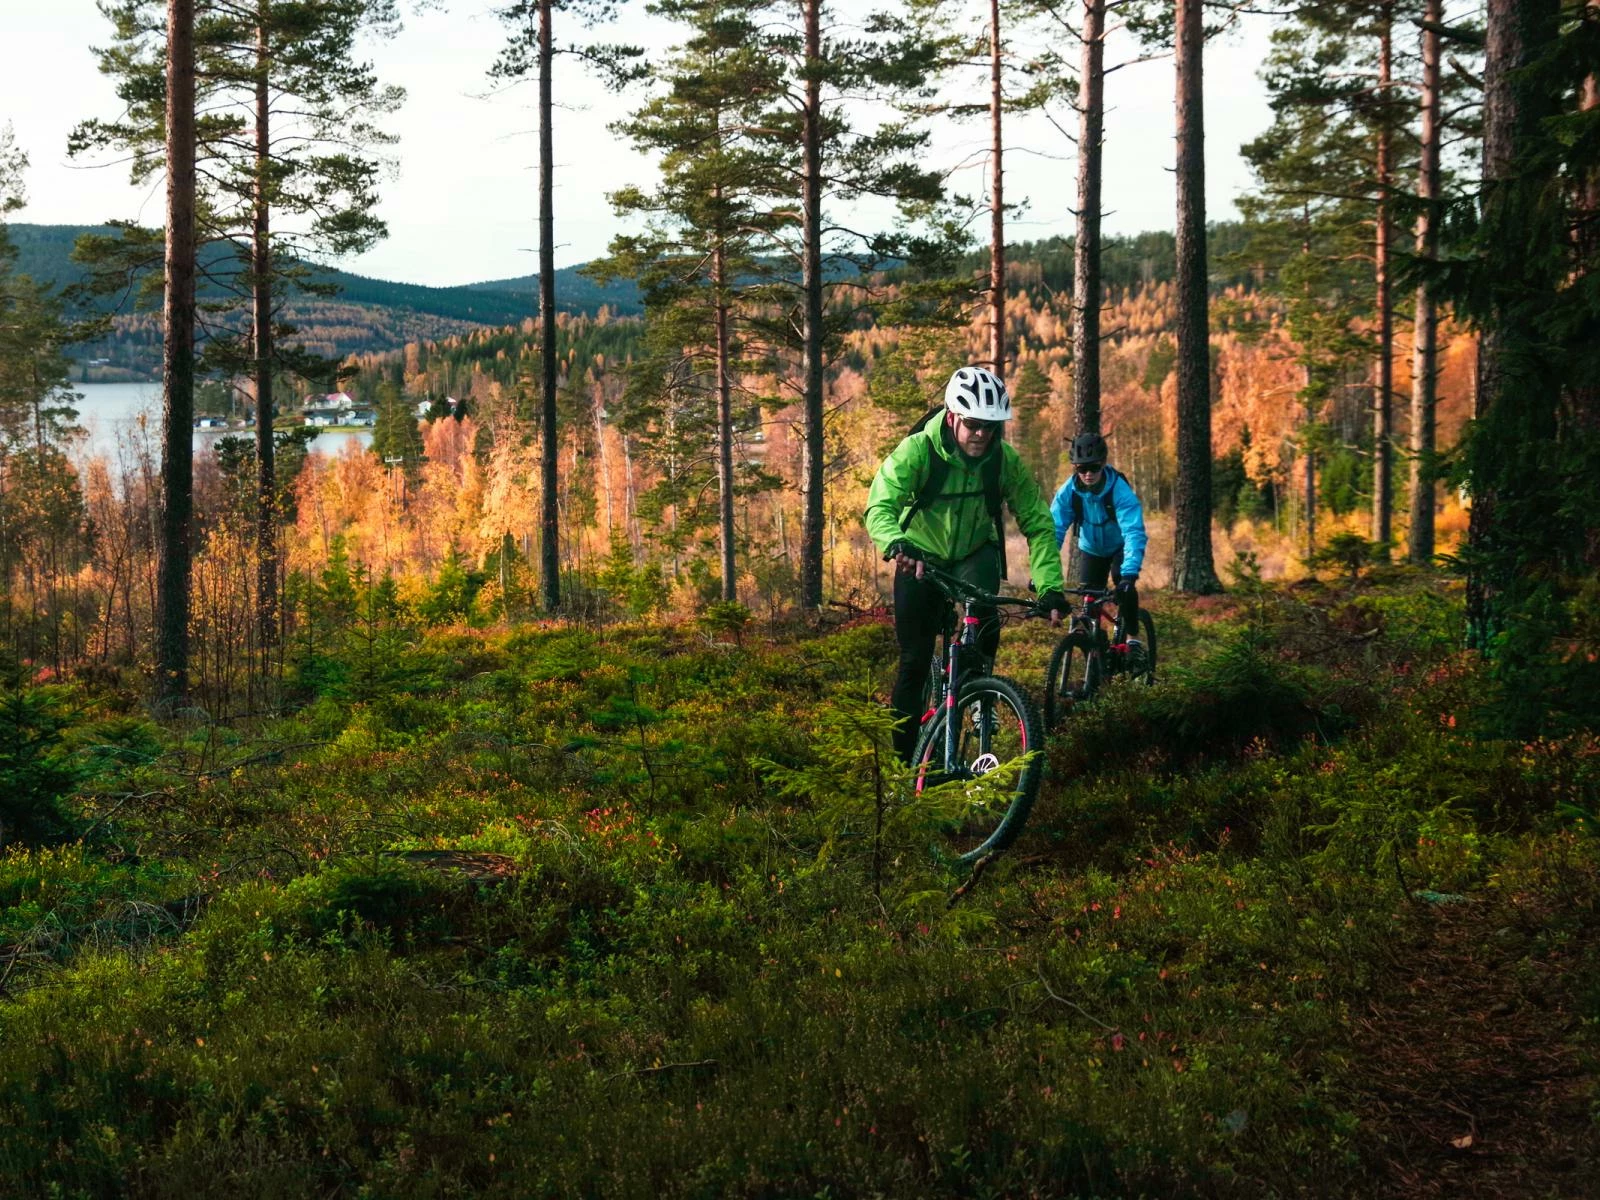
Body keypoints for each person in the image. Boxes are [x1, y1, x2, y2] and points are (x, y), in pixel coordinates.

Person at [865, 366, 1068, 763]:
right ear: (953, 415)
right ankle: (904, 768)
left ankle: (978, 691)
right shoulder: (919, 450)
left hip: (975, 551)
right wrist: (896, 543)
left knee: (984, 620)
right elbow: (880, 505)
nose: (981, 434)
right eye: (974, 424)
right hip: (920, 554)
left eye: (990, 426)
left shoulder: (1003, 461)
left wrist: (1049, 586)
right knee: (913, 664)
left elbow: (1039, 523)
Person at [1050, 430, 1148, 647]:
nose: (1088, 474)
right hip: (1091, 548)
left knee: (1123, 584)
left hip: (1119, 546)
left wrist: (1129, 575)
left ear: (1103, 463)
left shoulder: (1119, 490)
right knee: (1089, 604)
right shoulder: (1069, 492)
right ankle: (1098, 658)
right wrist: (1043, 575)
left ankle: (1133, 638)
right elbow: (1053, 532)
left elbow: (1133, 531)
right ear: (1075, 467)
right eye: (1081, 468)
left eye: (1093, 467)